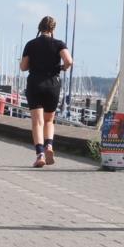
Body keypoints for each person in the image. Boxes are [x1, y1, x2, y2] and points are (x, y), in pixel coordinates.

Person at [21, 17, 73, 168]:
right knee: (49, 120)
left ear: (40, 27)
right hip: (52, 84)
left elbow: (23, 67)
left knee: (37, 121)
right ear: (53, 29)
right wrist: (61, 68)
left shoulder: (31, 44)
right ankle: (49, 146)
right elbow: (69, 61)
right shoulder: (59, 44)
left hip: (35, 83)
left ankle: (40, 154)